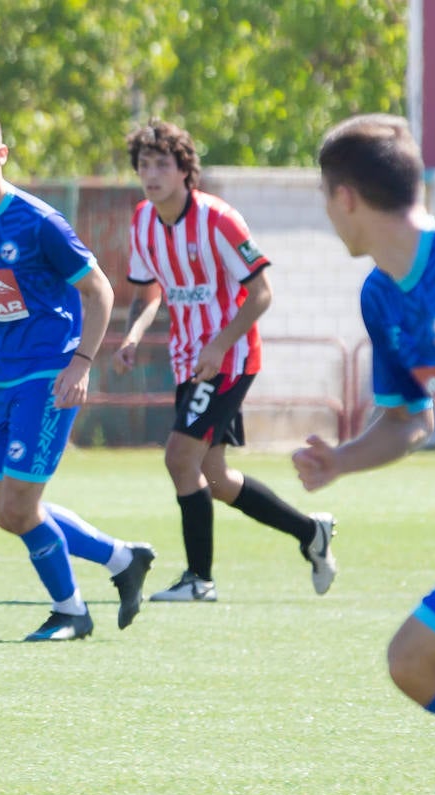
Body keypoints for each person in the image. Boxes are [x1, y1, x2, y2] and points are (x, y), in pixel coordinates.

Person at [0, 108, 155, 641]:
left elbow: (99, 289)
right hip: (2, 378)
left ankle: (71, 611)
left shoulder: (38, 222)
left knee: (20, 505)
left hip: (49, 373)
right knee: (7, 512)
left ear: (0, 153)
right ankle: (122, 559)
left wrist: (80, 363)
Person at [112, 118, 337, 603]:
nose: (151, 174)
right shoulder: (143, 220)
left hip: (230, 358)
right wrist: (133, 333)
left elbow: (260, 293)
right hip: (188, 361)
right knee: (214, 477)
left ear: (184, 170)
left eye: (162, 164)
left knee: (179, 457)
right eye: (144, 164)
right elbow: (149, 287)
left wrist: (219, 343)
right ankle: (310, 533)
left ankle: (199, 579)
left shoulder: (218, 219)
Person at [298, 113, 435, 736]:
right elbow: (407, 422)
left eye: (324, 197)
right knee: (415, 661)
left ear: (345, 197)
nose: (328, 212)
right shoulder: (382, 295)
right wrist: (341, 460)